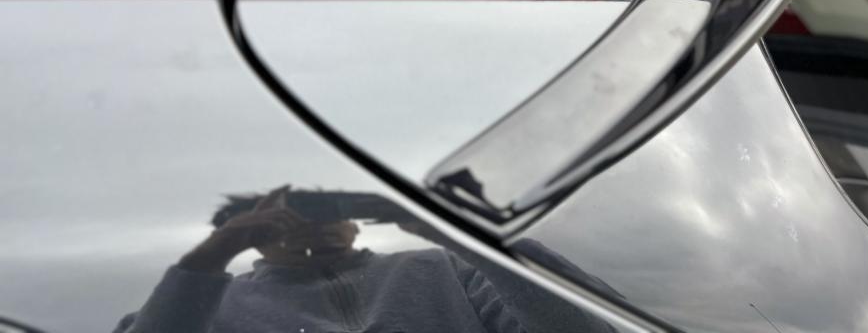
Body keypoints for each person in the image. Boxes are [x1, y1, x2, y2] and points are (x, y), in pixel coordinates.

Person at [113, 186, 616, 333]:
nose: (313, 223)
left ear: (355, 222)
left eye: (328, 209)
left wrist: (462, 236)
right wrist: (210, 257)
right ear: (250, 235)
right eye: (284, 216)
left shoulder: (446, 268)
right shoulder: (208, 307)